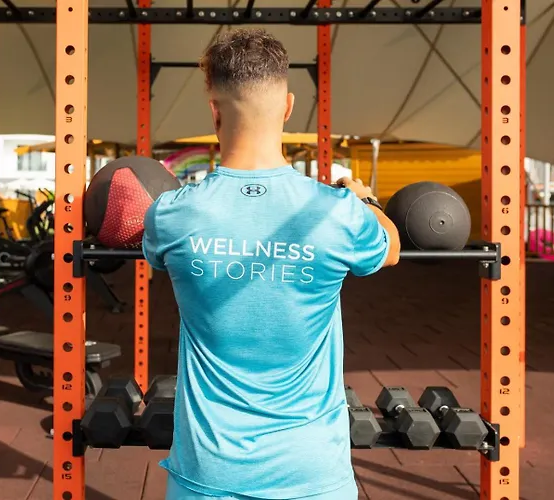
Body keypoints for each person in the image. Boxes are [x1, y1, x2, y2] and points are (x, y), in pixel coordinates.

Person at [143, 28, 401, 500]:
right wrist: (363, 200)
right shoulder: (338, 213)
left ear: (214, 111)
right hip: (312, 473)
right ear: (287, 107)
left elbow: (152, 250)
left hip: (209, 472)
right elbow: (391, 248)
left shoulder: (173, 214)